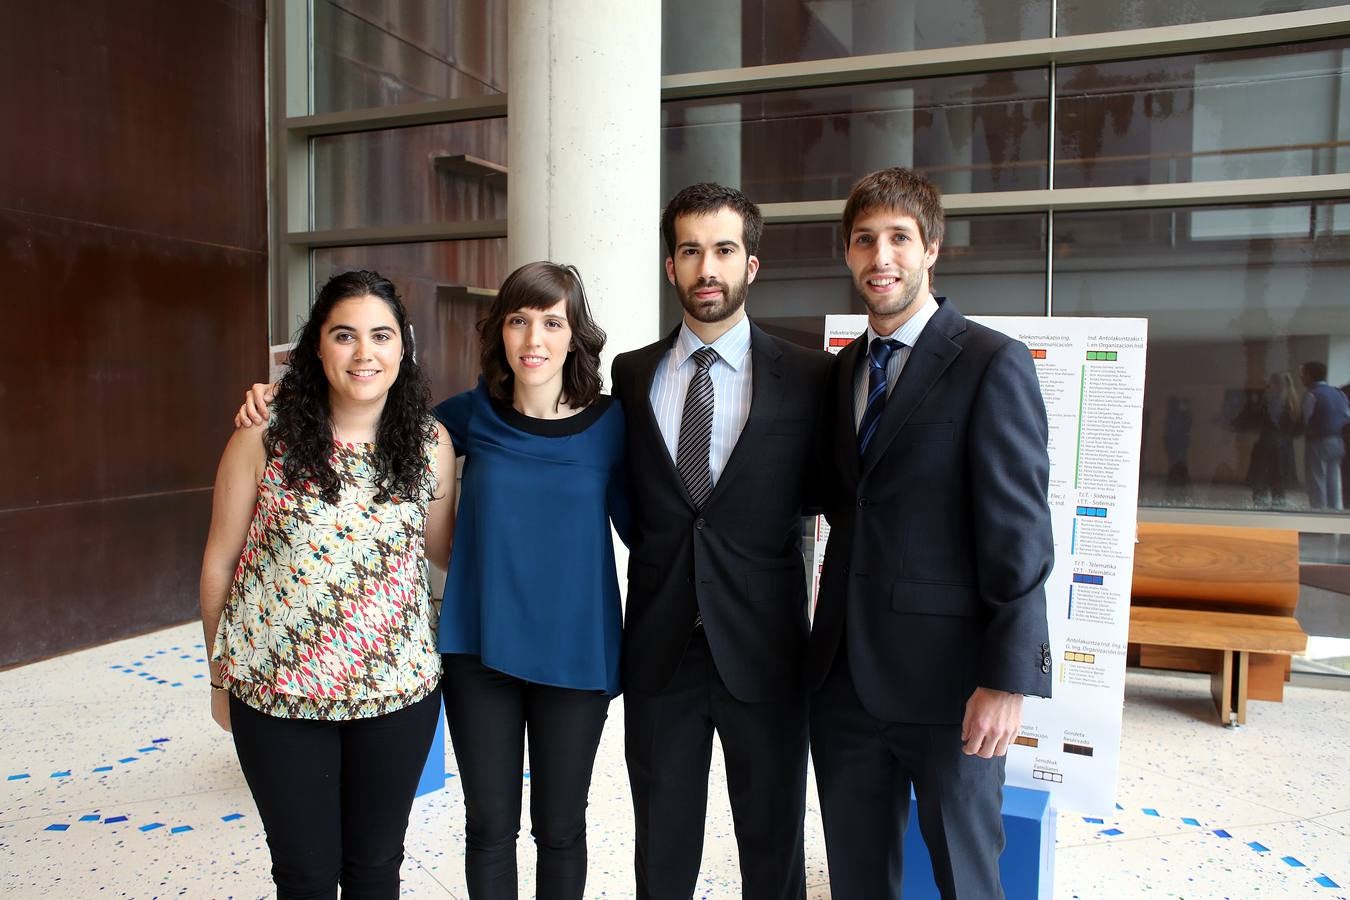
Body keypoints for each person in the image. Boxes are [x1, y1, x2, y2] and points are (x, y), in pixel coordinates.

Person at [238, 262, 628, 900]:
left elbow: (655, 528)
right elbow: (370, 403)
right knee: (490, 829)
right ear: (499, 333)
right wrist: (277, 392)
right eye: (519, 320)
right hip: (481, 650)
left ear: (574, 334)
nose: (534, 338)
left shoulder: (614, 426)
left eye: (552, 322)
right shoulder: (467, 418)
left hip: (576, 655)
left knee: (561, 830)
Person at [807, 168, 1054, 899]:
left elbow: (1020, 531)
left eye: (898, 239)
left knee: (965, 878)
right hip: (843, 681)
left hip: (950, 689)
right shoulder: (842, 370)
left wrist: (1007, 678)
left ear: (931, 248)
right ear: (849, 255)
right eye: (864, 241)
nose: (880, 256)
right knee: (858, 878)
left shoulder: (989, 362)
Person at [201, 269, 456, 899]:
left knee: (374, 872)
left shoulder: (431, 444)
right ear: (317, 345)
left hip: (397, 699)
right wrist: (216, 677)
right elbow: (219, 564)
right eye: (345, 335)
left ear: (404, 347)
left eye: (381, 335)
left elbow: (444, 552)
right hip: (278, 699)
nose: (364, 353)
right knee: (305, 875)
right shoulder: (264, 436)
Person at [611, 183, 832, 899]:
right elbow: (630, 499)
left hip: (765, 648)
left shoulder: (809, 377)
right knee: (661, 846)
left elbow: (826, 492)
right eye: (691, 251)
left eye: (724, 250)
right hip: (660, 648)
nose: (708, 267)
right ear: (671, 267)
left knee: (772, 846)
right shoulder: (631, 373)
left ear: (751, 265)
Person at [1300, 360, 1349, 510]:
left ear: (1309, 375)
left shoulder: (1312, 395)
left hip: (1318, 442)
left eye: (1303, 374)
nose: (1301, 378)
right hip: (1338, 441)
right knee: (1334, 482)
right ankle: (1334, 519)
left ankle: (1318, 517)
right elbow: (1346, 415)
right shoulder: (1339, 393)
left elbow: (1305, 419)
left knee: (1317, 481)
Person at [1248, 370, 1301, 507]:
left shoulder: (1270, 402)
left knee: (1262, 478)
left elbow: (1258, 420)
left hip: (1268, 444)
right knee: (1278, 480)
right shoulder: (1291, 403)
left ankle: (1261, 505)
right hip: (1283, 445)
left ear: (1275, 384)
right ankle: (1277, 506)